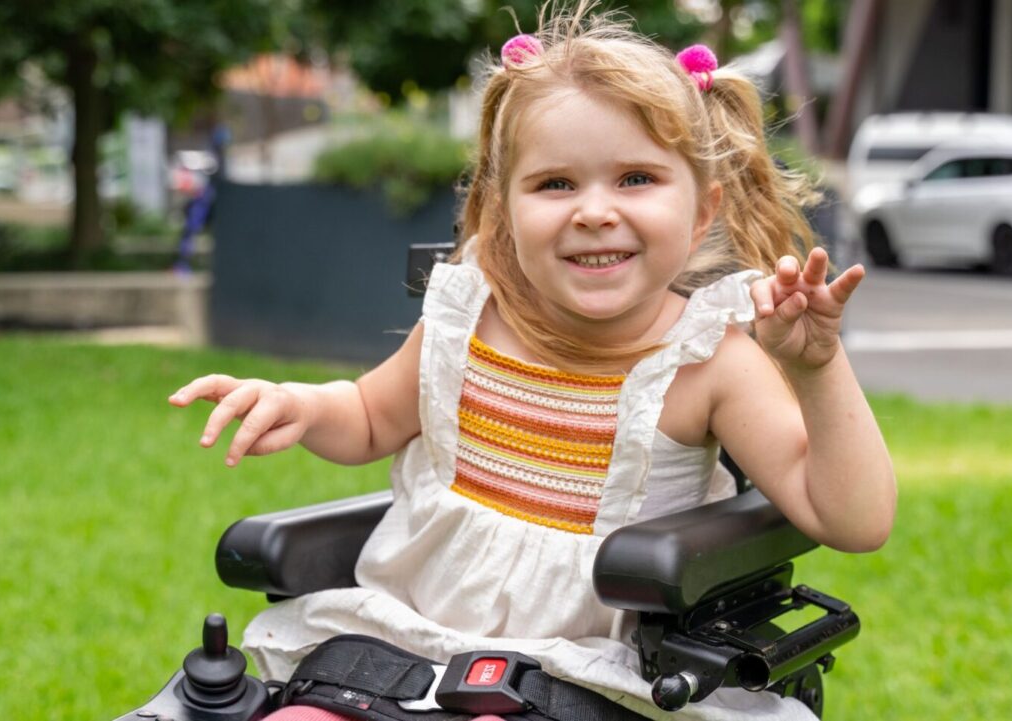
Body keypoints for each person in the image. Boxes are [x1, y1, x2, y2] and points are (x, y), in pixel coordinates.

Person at [169, 6, 895, 720]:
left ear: (702, 212)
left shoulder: (707, 363)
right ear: (500, 211)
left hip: (585, 676)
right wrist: (299, 405)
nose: (594, 211)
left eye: (637, 178)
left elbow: (856, 519)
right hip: (403, 646)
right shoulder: (467, 323)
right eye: (555, 184)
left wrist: (816, 371)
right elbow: (365, 418)